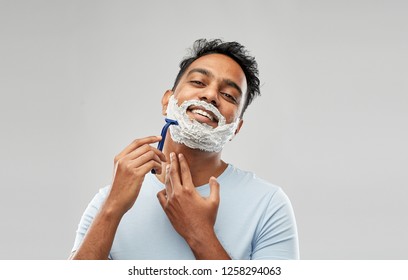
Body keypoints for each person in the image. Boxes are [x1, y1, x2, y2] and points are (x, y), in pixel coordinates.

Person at [70, 39, 299, 260]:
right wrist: (112, 208)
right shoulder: (108, 200)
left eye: (228, 95)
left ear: (235, 128)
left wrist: (199, 233)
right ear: (167, 101)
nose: (210, 96)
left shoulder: (269, 204)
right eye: (199, 82)